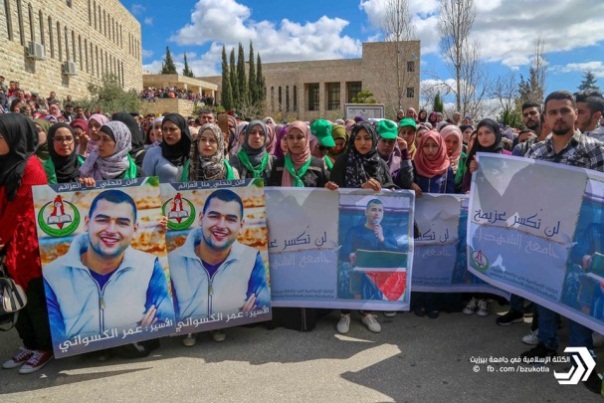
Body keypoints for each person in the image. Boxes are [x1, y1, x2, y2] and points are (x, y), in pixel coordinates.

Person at [519, 92, 604, 394]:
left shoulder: (595, 150)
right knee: (543, 292)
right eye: (552, 112)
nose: (559, 117)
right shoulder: (535, 152)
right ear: (545, 118)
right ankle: (546, 343)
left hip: (581, 239)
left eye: (565, 111)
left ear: (575, 115)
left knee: (576, 296)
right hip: (544, 235)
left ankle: (583, 359)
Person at [43, 190, 174, 347]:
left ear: (135, 229)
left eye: (122, 223)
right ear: (86, 223)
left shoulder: (150, 265)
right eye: (102, 220)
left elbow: (164, 319)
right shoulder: (52, 274)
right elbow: (59, 339)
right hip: (86, 356)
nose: (111, 230)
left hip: (133, 348)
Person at [169, 189, 270, 345]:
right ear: (201, 218)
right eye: (214, 216)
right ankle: (190, 330)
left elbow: (259, 302)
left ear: (241, 225)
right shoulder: (174, 260)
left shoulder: (251, 257)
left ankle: (219, 326)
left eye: (230, 219)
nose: (221, 225)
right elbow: (167, 310)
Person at [325, 121, 397, 334]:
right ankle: (345, 313)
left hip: (370, 230)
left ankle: (366, 313)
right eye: (358, 138)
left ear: (374, 139)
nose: (363, 143)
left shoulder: (379, 163)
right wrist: (348, 188)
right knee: (348, 266)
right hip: (348, 226)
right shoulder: (343, 161)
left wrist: (382, 188)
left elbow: (392, 190)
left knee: (368, 270)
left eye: (367, 138)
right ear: (352, 140)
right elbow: (336, 192)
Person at [0, 113, 53, 374]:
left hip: (27, 247)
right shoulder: (4, 163)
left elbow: (19, 209)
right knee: (13, 298)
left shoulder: (31, 167)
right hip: (7, 244)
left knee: (32, 299)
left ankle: (43, 348)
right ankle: (28, 344)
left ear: (13, 137)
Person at [268, 121, 330, 187]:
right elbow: (273, 193)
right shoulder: (279, 164)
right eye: (291, 137)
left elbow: (322, 192)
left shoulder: (318, 164)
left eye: (299, 137)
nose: (295, 141)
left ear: (306, 139)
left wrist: (328, 187)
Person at [142, 113, 192, 183]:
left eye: (172, 129)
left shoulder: (192, 154)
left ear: (182, 131)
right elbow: (146, 185)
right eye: (165, 129)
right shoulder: (153, 153)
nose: (168, 133)